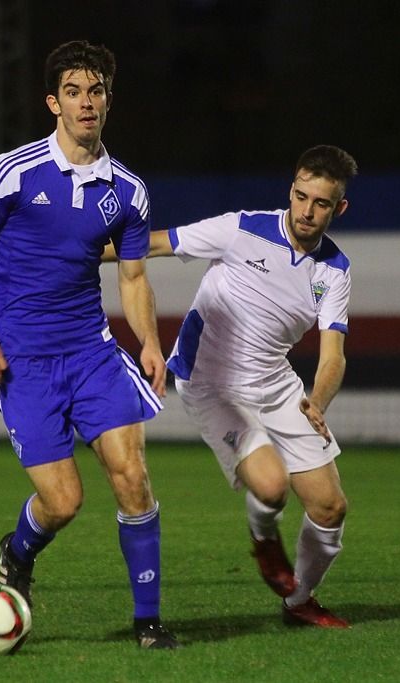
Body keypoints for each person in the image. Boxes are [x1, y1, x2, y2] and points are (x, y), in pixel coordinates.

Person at [0, 40, 179, 649]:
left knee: (132, 476)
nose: (87, 103)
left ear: (109, 100)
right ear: (54, 102)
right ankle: (18, 548)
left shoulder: (128, 192)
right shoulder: (14, 172)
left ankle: (149, 622)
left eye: (97, 91)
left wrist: (150, 344)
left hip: (93, 354)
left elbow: (133, 277)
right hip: (24, 363)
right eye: (74, 92)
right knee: (63, 501)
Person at [105, 145, 358, 628]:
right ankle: (265, 539)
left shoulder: (335, 271)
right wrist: (66, 253)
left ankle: (299, 601)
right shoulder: (241, 228)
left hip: (279, 385)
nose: (306, 211)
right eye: (301, 196)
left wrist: (318, 401)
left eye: (321, 203)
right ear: (291, 188)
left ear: (338, 207)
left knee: (329, 506)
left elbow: (333, 355)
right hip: (211, 381)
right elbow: (152, 243)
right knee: (270, 484)